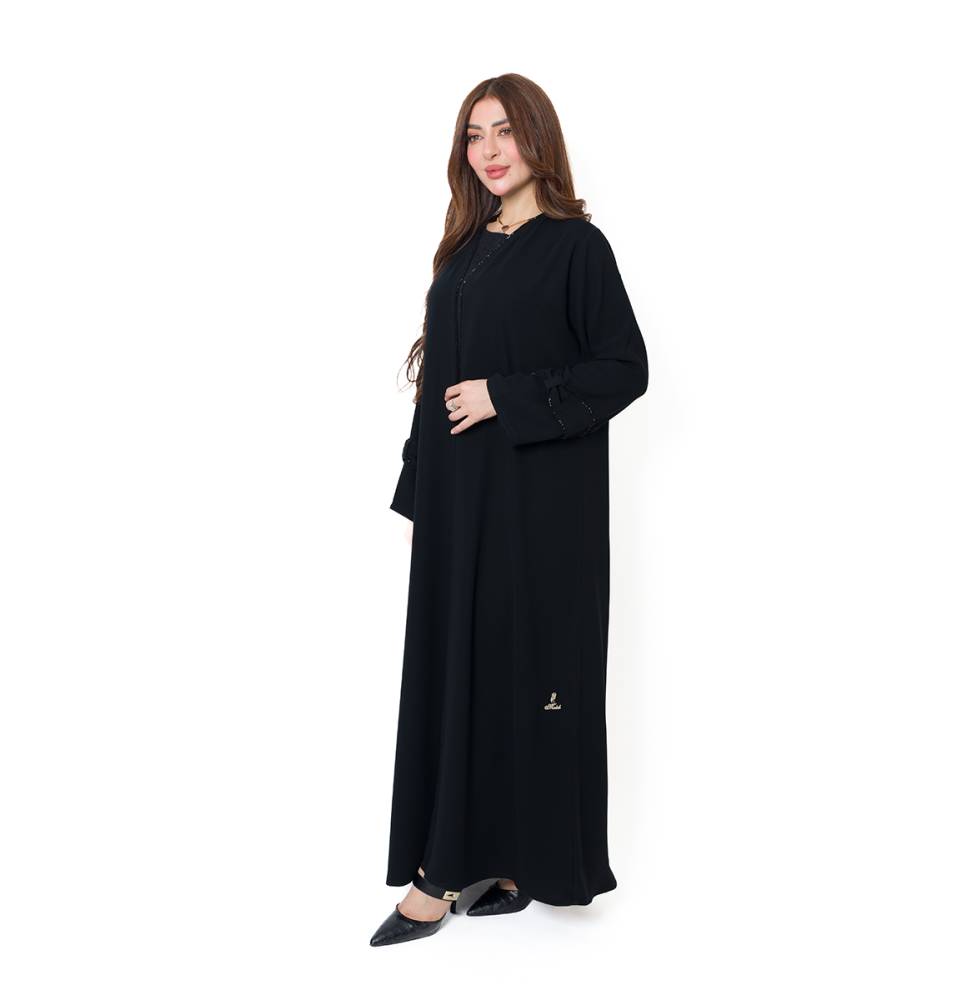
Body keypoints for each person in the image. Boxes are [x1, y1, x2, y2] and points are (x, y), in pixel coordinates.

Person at [370, 73, 649, 947]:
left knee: (533, 675)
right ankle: (482, 856)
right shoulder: (463, 250)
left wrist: (506, 397)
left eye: (504, 131)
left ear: (538, 138)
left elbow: (624, 368)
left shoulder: (576, 248)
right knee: (462, 670)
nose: (489, 151)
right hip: (462, 506)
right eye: (474, 135)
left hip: (539, 509)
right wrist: (422, 494)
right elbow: (436, 386)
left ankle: (470, 872)